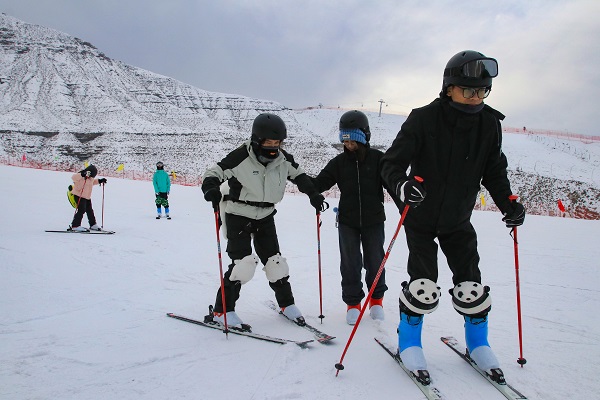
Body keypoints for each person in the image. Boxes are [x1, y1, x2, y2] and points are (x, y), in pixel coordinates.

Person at [380, 50, 526, 385]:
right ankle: (410, 343)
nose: (476, 98)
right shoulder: (423, 119)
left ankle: (478, 344)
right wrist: (402, 186)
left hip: (459, 219)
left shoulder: (489, 124)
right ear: (449, 87)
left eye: (482, 91)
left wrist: (508, 204)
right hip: (420, 216)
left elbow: (494, 171)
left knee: (471, 287)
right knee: (423, 284)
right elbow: (389, 165)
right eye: (468, 90)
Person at [201, 113, 326, 328]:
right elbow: (214, 172)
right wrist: (210, 188)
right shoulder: (240, 156)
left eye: (277, 142)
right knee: (243, 265)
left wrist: (313, 194)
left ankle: (287, 305)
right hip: (238, 214)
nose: (273, 147)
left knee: (275, 262)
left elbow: (300, 176)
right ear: (257, 139)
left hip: (266, 216)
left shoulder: (283, 159)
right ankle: (222, 310)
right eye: (269, 142)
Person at [311, 110, 396, 325]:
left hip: (374, 220)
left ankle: (376, 300)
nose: (348, 145)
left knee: (375, 260)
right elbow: (320, 182)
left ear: (364, 137)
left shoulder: (378, 159)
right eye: (345, 141)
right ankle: (353, 303)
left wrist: (406, 203)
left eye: (353, 141)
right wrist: (309, 188)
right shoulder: (338, 163)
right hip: (347, 221)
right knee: (350, 262)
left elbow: (393, 185)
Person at [68, 164, 107, 232]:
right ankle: (75, 225)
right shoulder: (81, 175)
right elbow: (73, 177)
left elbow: (93, 182)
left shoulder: (90, 178)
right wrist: (82, 174)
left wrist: (100, 181)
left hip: (87, 197)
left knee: (90, 211)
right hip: (78, 195)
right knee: (81, 210)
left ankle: (93, 224)